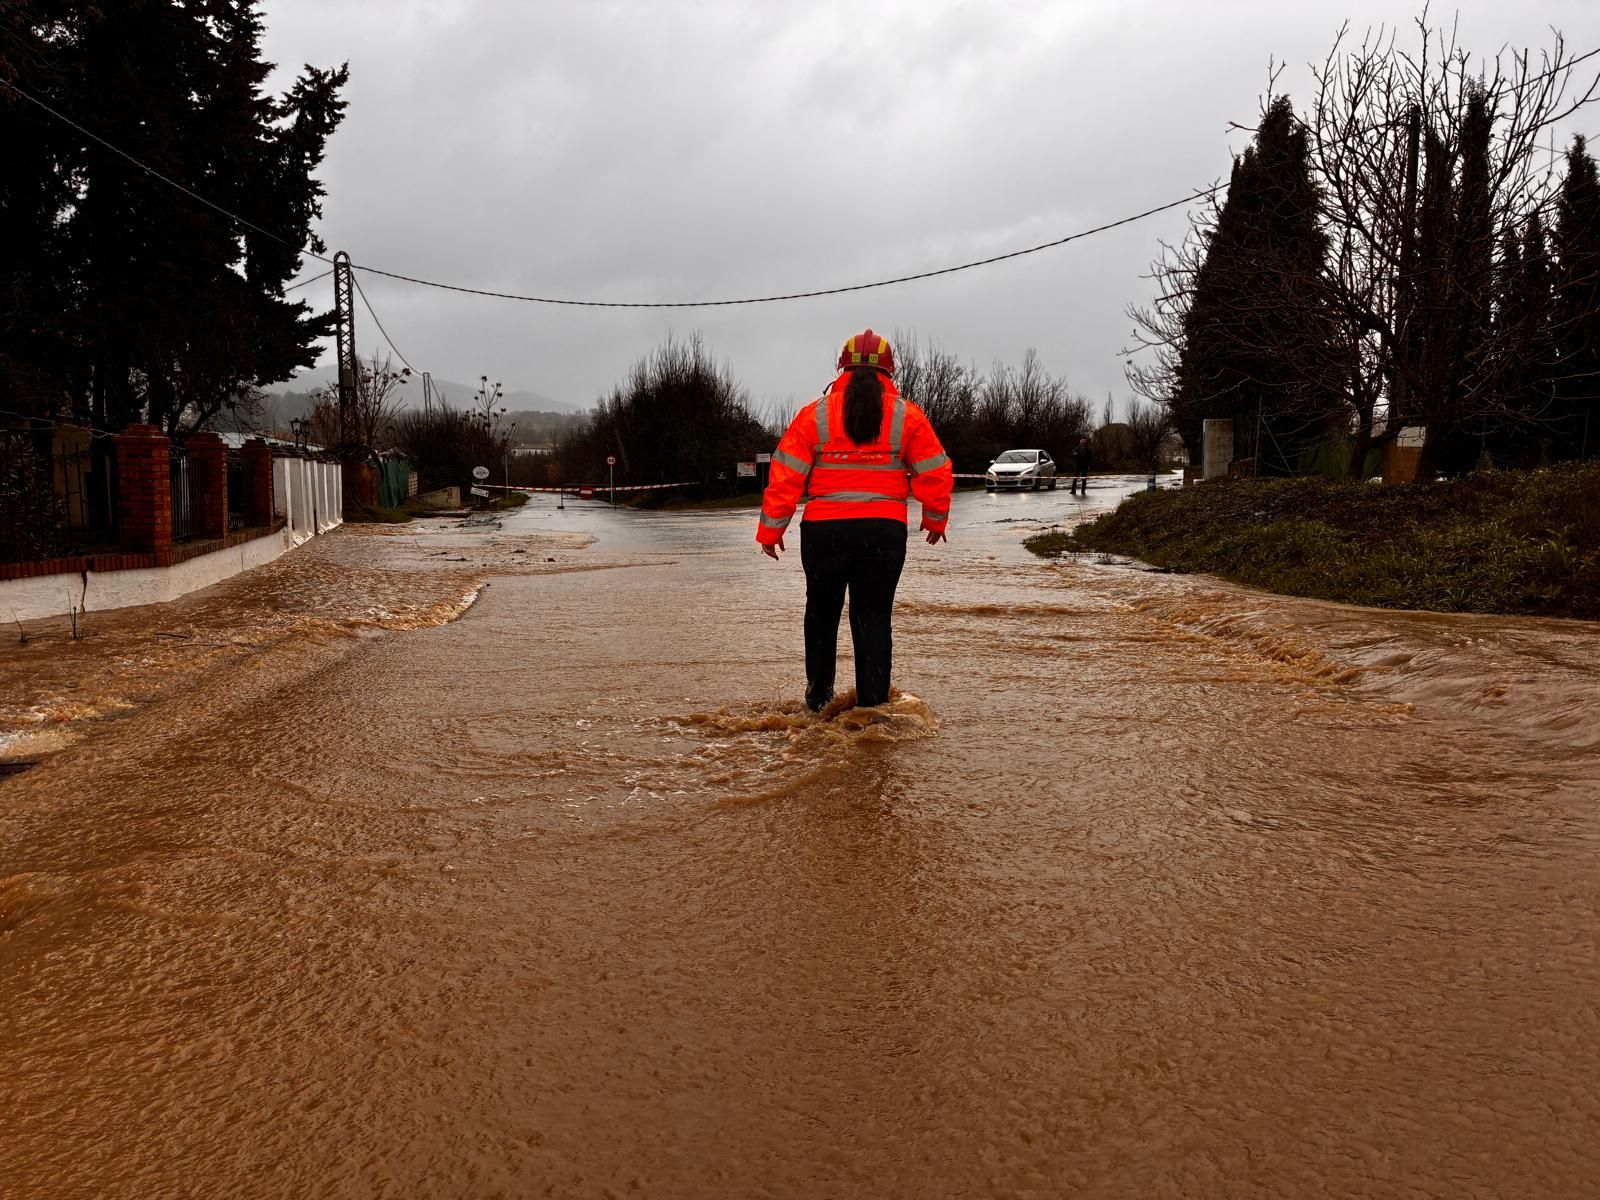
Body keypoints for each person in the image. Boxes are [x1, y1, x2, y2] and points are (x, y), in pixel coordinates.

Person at [757, 329, 953, 712]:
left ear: (841, 367)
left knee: (821, 614)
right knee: (873, 618)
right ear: (890, 370)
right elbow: (936, 470)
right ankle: (873, 710)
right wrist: (934, 517)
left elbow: (786, 473)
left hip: (824, 531)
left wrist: (771, 528)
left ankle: (817, 702)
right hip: (883, 531)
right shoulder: (907, 416)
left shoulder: (813, 415)